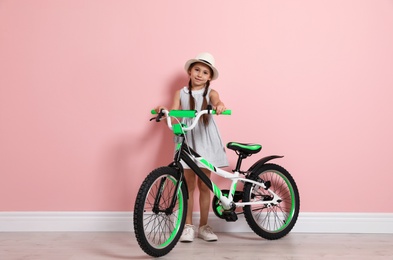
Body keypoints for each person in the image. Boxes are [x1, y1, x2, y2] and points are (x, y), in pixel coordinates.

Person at [155, 52, 228, 242]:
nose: (199, 75)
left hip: (205, 139)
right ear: (189, 70)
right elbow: (174, 115)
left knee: (205, 185)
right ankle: (187, 225)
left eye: (205, 72)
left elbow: (217, 101)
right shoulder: (180, 93)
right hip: (187, 140)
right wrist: (165, 114)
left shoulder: (210, 93)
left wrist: (219, 105)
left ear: (209, 77)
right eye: (197, 70)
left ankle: (204, 226)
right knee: (187, 186)